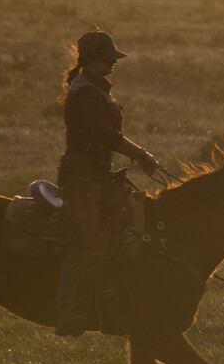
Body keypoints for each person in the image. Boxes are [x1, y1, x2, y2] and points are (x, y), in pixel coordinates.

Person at [55, 30, 162, 336]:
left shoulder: (96, 88)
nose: (114, 63)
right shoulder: (88, 92)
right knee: (91, 241)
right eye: (108, 58)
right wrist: (140, 153)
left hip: (97, 175)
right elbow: (104, 134)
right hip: (82, 178)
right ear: (92, 59)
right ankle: (69, 311)